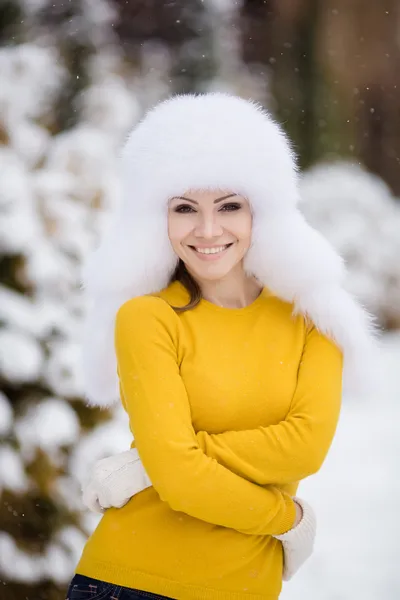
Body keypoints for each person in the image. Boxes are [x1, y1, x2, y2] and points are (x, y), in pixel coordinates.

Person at [67, 93, 377, 600]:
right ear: (157, 220)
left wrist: (149, 466)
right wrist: (289, 519)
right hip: (130, 583)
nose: (208, 230)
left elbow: (304, 447)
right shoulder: (147, 318)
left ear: (263, 211)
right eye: (184, 208)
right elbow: (181, 481)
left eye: (229, 205)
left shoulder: (313, 318)